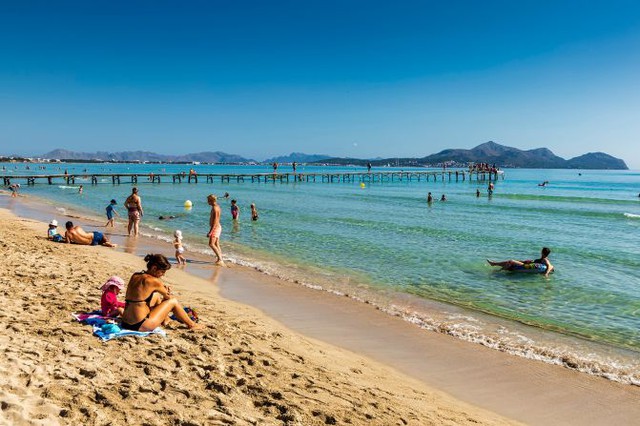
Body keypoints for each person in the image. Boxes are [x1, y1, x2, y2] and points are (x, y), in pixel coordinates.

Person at [120, 254, 204, 331]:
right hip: (140, 325)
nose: (163, 275)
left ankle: (165, 320)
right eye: (162, 272)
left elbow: (141, 293)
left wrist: (161, 292)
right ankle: (192, 324)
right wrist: (167, 292)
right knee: (173, 301)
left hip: (125, 323)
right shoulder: (154, 281)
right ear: (154, 268)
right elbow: (168, 299)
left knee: (156, 295)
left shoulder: (135, 275)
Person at [487, 247, 554, 277]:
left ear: (542, 252)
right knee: (510, 262)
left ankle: (497, 269)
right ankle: (494, 264)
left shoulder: (545, 259)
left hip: (526, 266)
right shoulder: (542, 258)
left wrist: (546, 274)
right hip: (527, 265)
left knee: (511, 261)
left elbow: (550, 266)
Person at [207, 194, 225, 266]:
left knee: (211, 244)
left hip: (215, 228)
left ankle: (220, 259)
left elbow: (215, 221)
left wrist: (210, 232)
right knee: (216, 244)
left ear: (212, 201)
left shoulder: (215, 209)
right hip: (217, 227)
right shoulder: (216, 207)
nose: (207, 202)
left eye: (208, 201)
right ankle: (219, 259)